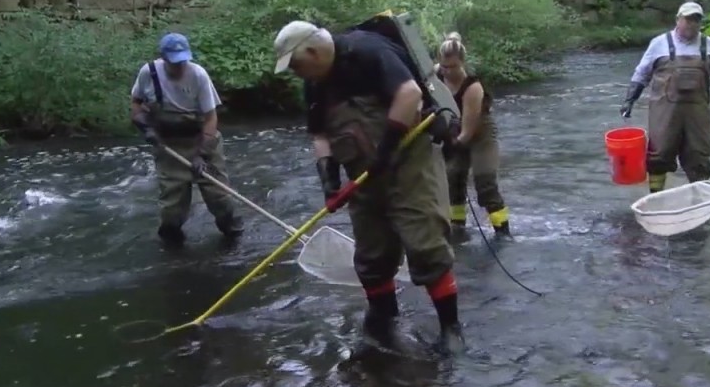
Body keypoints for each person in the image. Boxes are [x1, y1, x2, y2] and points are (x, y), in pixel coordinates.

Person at [272, 18, 464, 351]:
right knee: (372, 252)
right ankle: (382, 318)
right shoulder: (314, 83)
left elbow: (409, 94)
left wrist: (385, 152)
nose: (296, 74)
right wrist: (329, 180)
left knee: (425, 243)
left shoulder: (368, 51)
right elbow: (319, 133)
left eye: (297, 65)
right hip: (360, 171)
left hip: (407, 164)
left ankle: (451, 327)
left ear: (315, 51)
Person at [130, 32, 244, 245]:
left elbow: (211, 118)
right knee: (172, 206)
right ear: (163, 58)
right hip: (169, 146)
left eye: (183, 60)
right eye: (174, 62)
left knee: (218, 195)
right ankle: (173, 247)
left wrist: (202, 155)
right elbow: (136, 105)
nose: (180, 66)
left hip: (202, 140)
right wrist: (146, 128)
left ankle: (233, 235)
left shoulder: (198, 75)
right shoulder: (149, 73)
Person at [620, 1, 710, 193]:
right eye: (687, 19)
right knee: (659, 155)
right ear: (678, 20)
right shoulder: (659, 43)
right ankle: (655, 196)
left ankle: (700, 198)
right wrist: (630, 100)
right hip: (664, 110)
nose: (691, 24)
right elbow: (642, 72)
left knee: (698, 157)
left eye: (696, 20)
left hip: (697, 112)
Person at [434, 33, 510, 235]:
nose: (448, 72)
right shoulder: (436, 75)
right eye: (444, 67)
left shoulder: (473, 87)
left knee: (485, 182)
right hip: (455, 128)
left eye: (453, 67)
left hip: (480, 133)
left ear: (462, 63)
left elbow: (467, 133)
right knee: (453, 177)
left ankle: (502, 231)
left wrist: (451, 146)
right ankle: (457, 227)